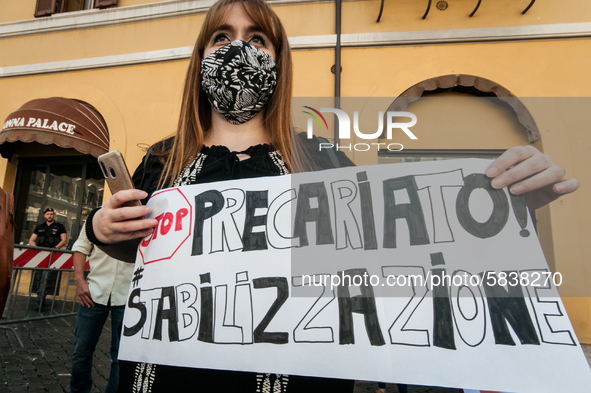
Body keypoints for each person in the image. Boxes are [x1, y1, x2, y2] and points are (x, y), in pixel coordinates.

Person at [85, 0, 580, 391]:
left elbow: (398, 253)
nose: (239, 48)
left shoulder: (320, 158)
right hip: (167, 376)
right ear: (201, 58)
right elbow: (142, 250)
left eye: (256, 38)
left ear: (278, 59)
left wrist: (504, 205)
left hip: (296, 379)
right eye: (222, 37)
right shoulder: (161, 161)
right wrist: (101, 230)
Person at [70, 226, 134, 393]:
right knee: (81, 351)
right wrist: (79, 281)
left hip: (128, 296)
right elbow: (81, 247)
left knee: (121, 357)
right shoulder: (97, 216)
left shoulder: (144, 218)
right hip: (93, 293)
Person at [28, 207, 67, 310]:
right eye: (48, 214)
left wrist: (55, 248)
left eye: (51, 214)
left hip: (51, 256)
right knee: (39, 278)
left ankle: (39, 301)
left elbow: (64, 240)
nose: (50, 215)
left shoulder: (60, 226)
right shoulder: (39, 227)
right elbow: (31, 240)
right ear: (44, 215)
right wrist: (36, 249)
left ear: (53, 215)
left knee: (45, 278)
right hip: (40, 256)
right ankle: (41, 297)